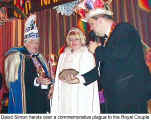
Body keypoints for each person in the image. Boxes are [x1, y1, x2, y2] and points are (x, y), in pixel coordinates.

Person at [60, 0, 151, 113]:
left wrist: (97, 50)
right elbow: (100, 70)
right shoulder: (106, 41)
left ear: (101, 21)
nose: (91, 29)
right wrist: (79, 79)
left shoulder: (124, 29)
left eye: (92, 24)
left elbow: (119, 54)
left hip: (130, 97)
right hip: (116, 100)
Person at [4, 15, 54, 113]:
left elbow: (46, 76)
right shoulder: (18, 57)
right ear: (26, 43)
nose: (36, 45)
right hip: (28, 101)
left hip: (42, 100)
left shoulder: (40, 58)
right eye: (33, 42)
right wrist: (37, 80)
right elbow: (18, 80)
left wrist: (51, 85)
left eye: (37, 43)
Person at [51, 27, 100, 114]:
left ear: (82, 40)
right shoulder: (63, 56)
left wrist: (77, 79)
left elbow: (91, 79)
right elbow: (59, 77)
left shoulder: (87, 55)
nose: (73, 42)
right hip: (65, 94)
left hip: (81, 94)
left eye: (76, 39)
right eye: (70, 39)